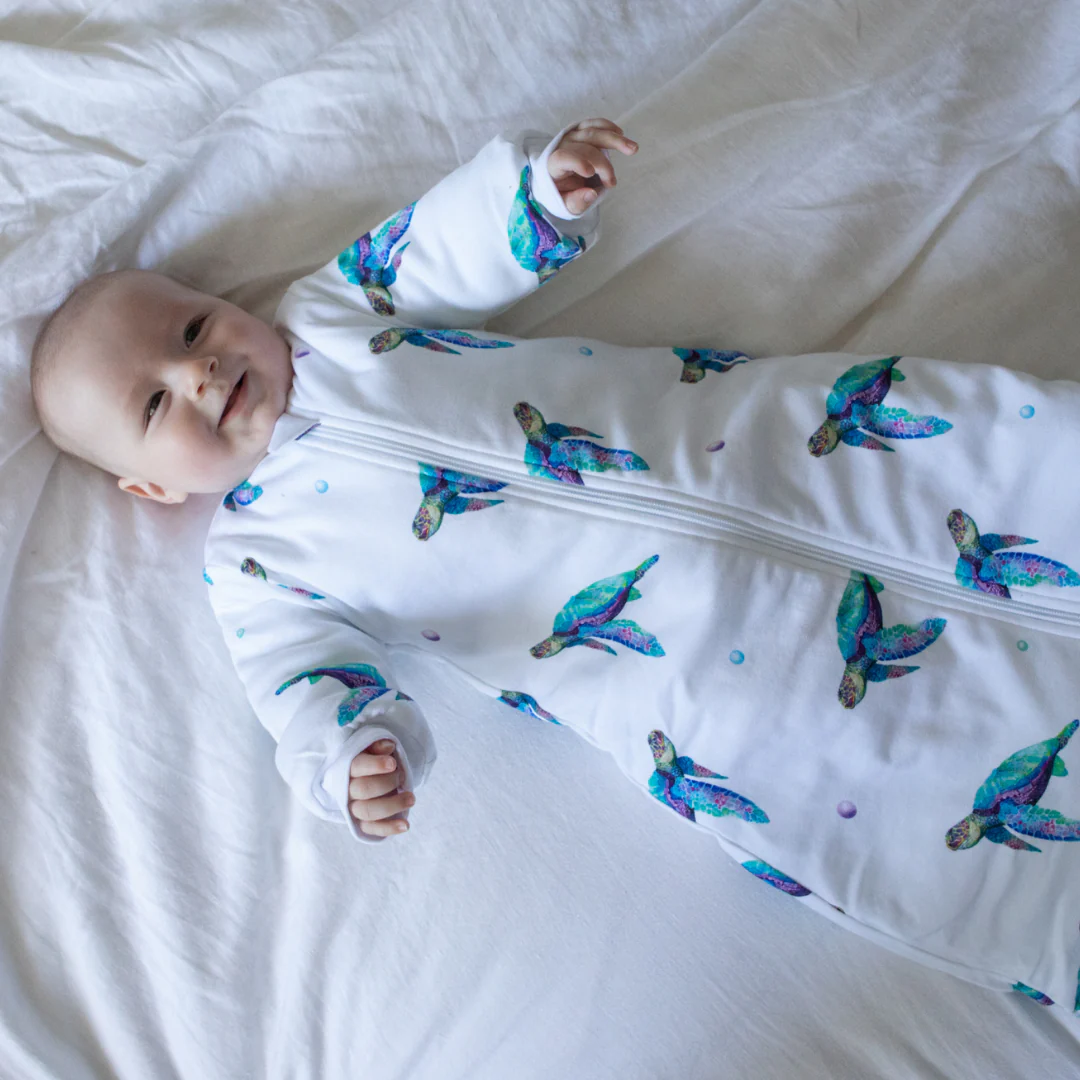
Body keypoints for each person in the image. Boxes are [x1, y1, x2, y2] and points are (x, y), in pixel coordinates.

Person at [29, 116, 1080, 1011]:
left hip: (758, 453)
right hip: (696, 676)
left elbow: (434, 249)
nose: (199, 370)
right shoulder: (255, 568)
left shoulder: (329, 316)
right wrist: (351, 755)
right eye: (154, 403)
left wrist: (537, 195)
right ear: (150, 489)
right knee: (873, 791)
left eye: (193, 327)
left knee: (978, 465)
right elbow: (300, 685)